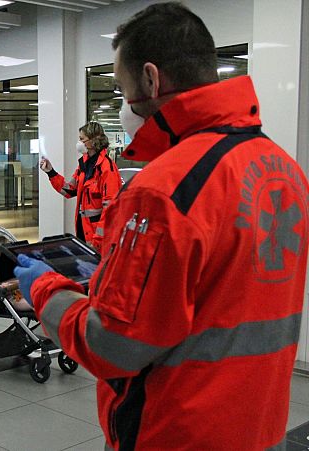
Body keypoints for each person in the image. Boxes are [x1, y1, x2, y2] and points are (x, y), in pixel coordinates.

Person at [15, 3, 309, 450]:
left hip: (178, 429)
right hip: (261, 424)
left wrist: (46, 293)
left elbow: (114, 346)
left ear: (151, 79)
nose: (121, 104)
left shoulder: (163, 188)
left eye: (120, 87)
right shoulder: (282, 168)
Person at [39, 121, 121, 253]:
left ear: (93, 141)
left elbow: (111, 209)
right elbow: (69, 190)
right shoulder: (84, 165)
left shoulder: (106, 168)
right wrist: (51, 172)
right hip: (84, 234)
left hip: (99, 240)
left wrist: (98, 241)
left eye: (82, 139)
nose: (79, 143)